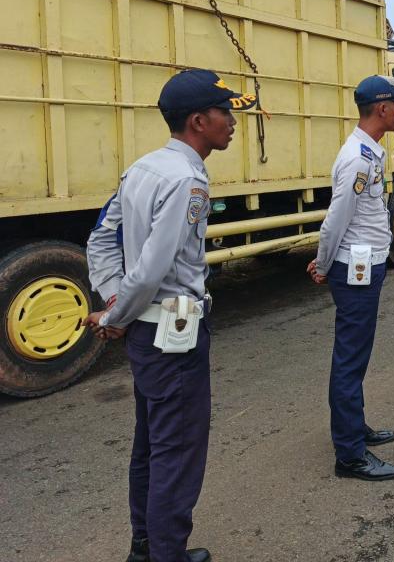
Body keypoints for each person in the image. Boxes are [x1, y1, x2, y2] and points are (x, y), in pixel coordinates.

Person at [85, 68, 258, 562]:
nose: (232, 122)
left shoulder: (143, 168)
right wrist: (117, 312)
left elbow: (102, 239)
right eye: (226, 113)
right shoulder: (187, 180)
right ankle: (166, 554)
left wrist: (114, 301)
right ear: (199, 120)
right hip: (171, 331)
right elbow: (154, 268)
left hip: (146, 330)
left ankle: (145, 544)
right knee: (177, 451)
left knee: (153, 444)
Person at [307, 75, 394, 481]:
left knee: (357, 355)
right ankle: (349, 454)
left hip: (366, 264)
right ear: (382, 108)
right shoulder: (357, 158)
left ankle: (355, 427)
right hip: (354, 269)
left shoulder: (371, 152)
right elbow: (337, 220)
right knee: (350, 359)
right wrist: (322, 262)